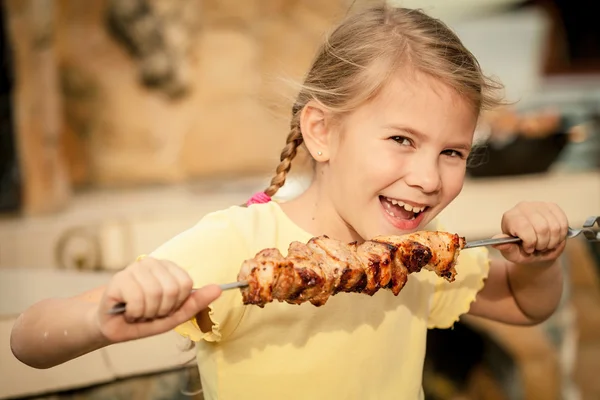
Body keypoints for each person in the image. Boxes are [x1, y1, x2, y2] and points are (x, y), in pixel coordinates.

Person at [10, 5, 569, 399]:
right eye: (402, 139)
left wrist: (539, 263)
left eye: (453, 151)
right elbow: (29, 337)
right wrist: (103, 317)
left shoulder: (417, 256)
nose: (428, 178)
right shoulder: (237, 245)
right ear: (322, 133)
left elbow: (526, 306)